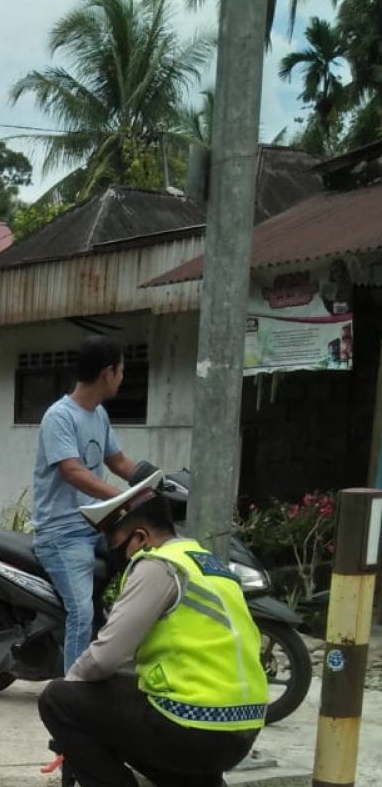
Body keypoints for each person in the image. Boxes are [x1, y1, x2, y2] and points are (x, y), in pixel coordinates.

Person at [38, 471, 268, 787]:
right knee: (137, 707)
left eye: (117, 544)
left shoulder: (157, 566)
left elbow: (105, 657)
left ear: (142, 537)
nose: (117, 554)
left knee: (58, 699)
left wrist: (72, 683)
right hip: (242, 728)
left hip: (193, 725)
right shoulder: (206, 563)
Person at [32, 334, 137, 672]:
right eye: (121, 371)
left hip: (95, 525)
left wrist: (159, 482)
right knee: (82, 611)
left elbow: (119, 463)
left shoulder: (99, 414)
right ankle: (73, 689)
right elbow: (72, 471)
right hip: (62, 531)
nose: (123, 378)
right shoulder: (60, 416)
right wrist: (123, 497)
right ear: (107, 373)